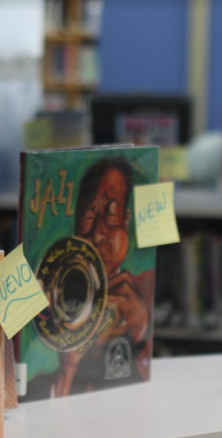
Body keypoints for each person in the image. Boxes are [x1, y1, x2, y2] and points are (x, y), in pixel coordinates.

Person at [54, 157, 153, 397]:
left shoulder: (143, 289)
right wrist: (67, 368)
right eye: (88, 216)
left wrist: (141, 330)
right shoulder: (49, 290)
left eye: (110, 215)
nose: (97, 234)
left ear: (126, 223)